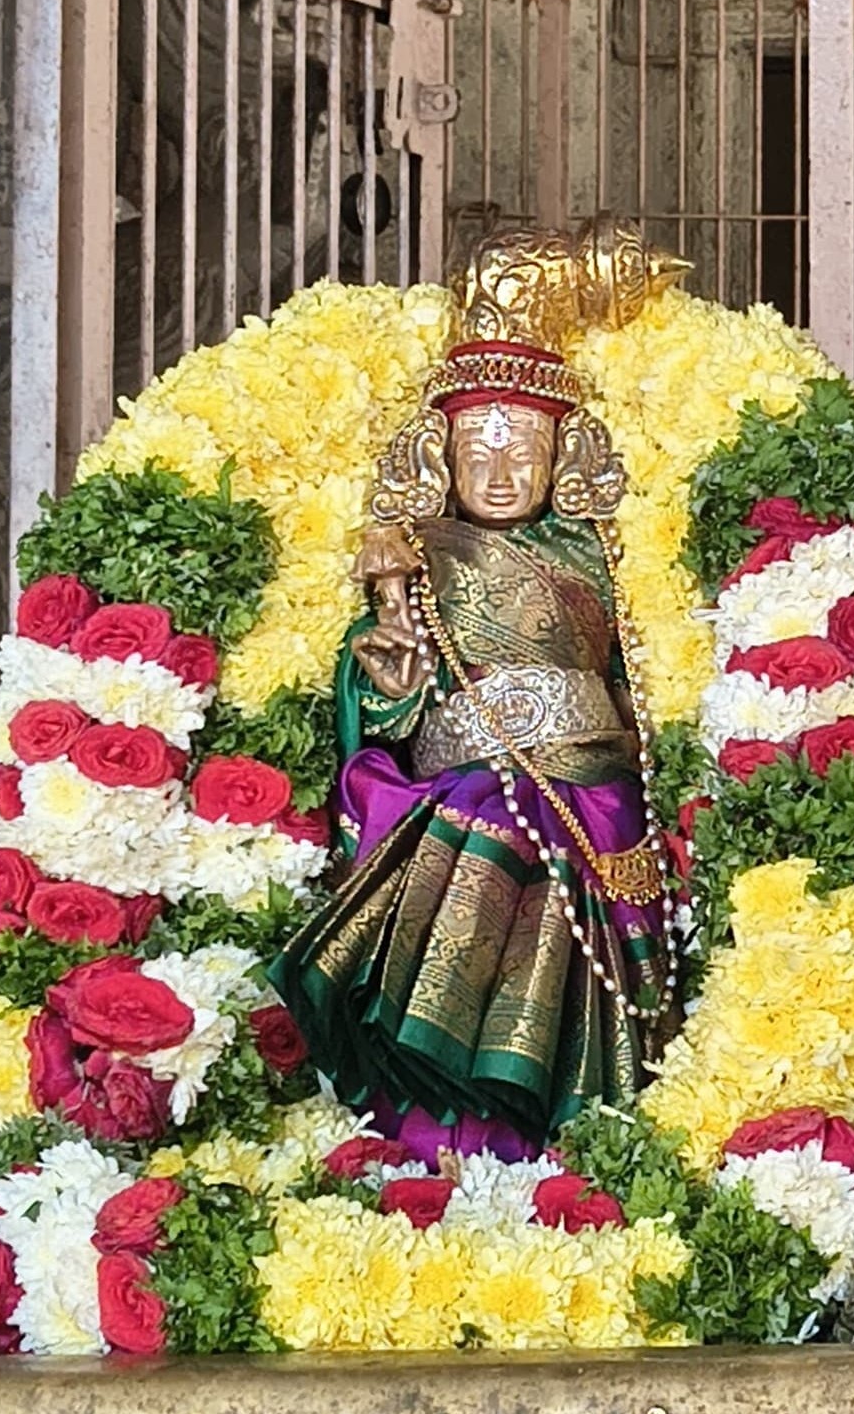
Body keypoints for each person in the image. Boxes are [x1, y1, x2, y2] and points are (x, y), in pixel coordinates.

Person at [271, 226, 676, 1150]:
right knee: (474, 815)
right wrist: (389, 679)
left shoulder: (603, 554)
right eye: (477, 456)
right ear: (441, 460)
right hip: (470, 784)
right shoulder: (419, 559)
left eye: (523, 453)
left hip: (592, 788)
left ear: (563, 457)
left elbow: (633, 682)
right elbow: (381, 689)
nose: (500, 474)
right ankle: (448, 1109)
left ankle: (573, 1114)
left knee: (581, 859)